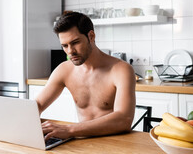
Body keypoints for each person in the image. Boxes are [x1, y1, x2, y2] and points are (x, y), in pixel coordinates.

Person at [36, 11, 136, 141]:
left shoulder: (121, 70)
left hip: (115, 144)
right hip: (81, 143)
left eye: (75, 42)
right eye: (65, 46)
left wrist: (69, 129)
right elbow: (37, 104)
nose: (70, 51)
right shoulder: (64, 69)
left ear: (91, 36)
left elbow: (124, 119)